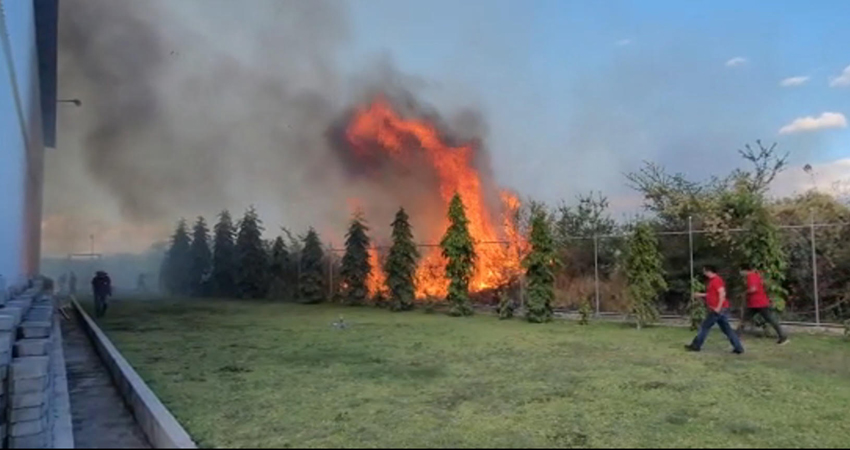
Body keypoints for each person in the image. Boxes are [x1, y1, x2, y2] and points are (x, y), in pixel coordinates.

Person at [686, 265, 745, 354]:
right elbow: (712, 294)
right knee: (727, 329)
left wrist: (718, 307)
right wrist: (700, 295)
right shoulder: (712, 281)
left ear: (709, 271)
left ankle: (696, 345)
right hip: (719, 309)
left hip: (718, 309)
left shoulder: (716, 280)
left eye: (704, 271)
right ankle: (738, 348)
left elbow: (722, 294)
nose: (704, 273)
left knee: (705, 327)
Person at [737, 264, 789, 345]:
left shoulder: (751, 276)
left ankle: (783, 336)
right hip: (755, 303)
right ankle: (736, 335)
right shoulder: (755, 275)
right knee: (745, 318)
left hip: (759, 303)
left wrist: (744, 293)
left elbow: (753, 289)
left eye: (741, 271)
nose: (740, 273)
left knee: (770, 319)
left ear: (744, 270)